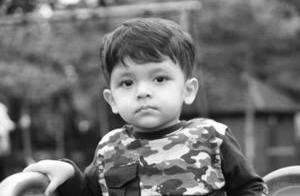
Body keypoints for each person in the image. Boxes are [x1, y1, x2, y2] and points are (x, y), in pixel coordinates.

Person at [23, 18, 268, 196]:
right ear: (112, 100)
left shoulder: (212, 137)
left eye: (159, 79)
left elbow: (252, 188)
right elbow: (90, 193)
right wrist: (67, 171)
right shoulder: (110, 147)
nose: (142, 91)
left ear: (188, 90)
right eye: (127, 83)